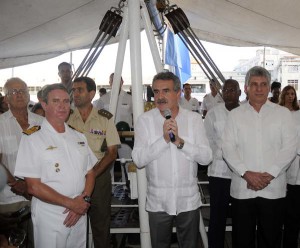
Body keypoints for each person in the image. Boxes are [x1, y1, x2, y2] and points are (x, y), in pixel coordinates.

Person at [132, 71, 212, 248]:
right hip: (158, 200)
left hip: (188, 199)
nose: (159, 96)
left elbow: (206, 158)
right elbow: (138, 159)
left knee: (190, 245)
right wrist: (164, 140)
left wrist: (180, 142)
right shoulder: (145, 121)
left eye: (165, 91)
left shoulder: (194, 119)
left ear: (178, 93)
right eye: (156, 91)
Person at [222, 66, 297, 248]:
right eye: (254, 84)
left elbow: (290, 148)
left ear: (269, 87)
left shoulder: (283, 114)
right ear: (246, 87)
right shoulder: (234, 116)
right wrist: (246, 174)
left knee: (271, 239)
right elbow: (227, 148)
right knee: (242, 240)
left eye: (263, 84)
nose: (259, 89)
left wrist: (269, 174)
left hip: (273, 189)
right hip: (242, 188)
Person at [14, 84, 96, 248]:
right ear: (44, 105)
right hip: (51, 213)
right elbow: (33, 186)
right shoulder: (33, 138)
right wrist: (71, 204)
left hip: (79, 210)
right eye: (56, 101)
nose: (62, 106)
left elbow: (90, 172)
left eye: (66, 101)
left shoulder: (78, 136)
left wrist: (83, 201)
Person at [67, 77, 120, 248]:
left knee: (100, 224)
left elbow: (112, 153)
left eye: (80, 90)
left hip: (99, 177)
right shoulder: (66, 118)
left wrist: (91, 176)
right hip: (71, 177)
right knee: (71, 223)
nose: (75, 94)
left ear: (91, 93)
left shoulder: (104, 118)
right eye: (73, 90)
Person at [0, 77, 44, 248]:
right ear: (6, 98)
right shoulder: (1, 123)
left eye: (23, 91)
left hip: (41, 195)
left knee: (39, 241)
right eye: (14, 92)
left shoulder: (42, 122)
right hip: (11, 198)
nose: (19, 95)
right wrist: (16, 183)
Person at [204, 79, 241, 248]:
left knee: (241, 217)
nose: (229, 93)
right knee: (217, 216)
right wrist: (225, 153)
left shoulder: (246, 113)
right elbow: (208, 141)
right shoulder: (213, 113)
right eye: (226, 90)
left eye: (233, 90)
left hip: (241, 174)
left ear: (240, 92)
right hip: (219, 173)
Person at [280, 85, 300, 248]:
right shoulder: (278, 113)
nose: (290, 96)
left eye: (293, 94)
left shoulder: (299, 114)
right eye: (288, 94)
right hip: (283, 164)